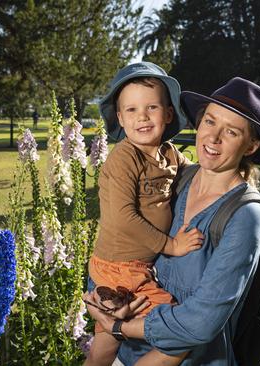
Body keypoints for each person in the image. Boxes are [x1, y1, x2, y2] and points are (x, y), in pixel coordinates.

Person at [84, 77, 260, 365]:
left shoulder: (246, 214)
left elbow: (200, 322)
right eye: (209, 121)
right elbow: (123, 240)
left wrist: (117, 326)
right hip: (127, 353)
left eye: (231, 132)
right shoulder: (178, 178)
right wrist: (101, 304)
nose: (213, 138)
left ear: (251, 145)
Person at [84, 62, 204, 366]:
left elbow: (193, 172)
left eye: (151, 107)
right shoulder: (124, 157)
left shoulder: (168, 152)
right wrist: (172, 245)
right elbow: (124, 216)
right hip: (119, 267)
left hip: (132, 266)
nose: (142, 117)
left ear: (167, 114)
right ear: (120, 118)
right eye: (132, 110)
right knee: (178, 331)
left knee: (104, 346)